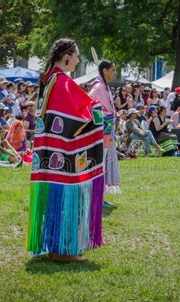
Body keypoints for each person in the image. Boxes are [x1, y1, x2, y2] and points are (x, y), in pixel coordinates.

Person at [27, 38, 104, 262]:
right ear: (66, 56)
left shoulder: (49, 79)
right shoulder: (62, 82)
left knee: (54, 199)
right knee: (65, 199)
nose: (78, 60)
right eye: (76, 56)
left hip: (49, 156)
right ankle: (63, 250)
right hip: (63, 155)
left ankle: (54, 246)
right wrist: (101, 110)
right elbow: (86, 112)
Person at [88, 60, 121, 194]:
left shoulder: (104, 86)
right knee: (99, 163)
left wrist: (113, 114)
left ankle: (100, 194)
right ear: (105, 71)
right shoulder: (99, 86)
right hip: (102, 129)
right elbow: (89, 101)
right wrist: (106, 115)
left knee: (104, 163)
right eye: (112, 70)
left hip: (107, 130)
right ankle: (96, 194)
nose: (114, 73)